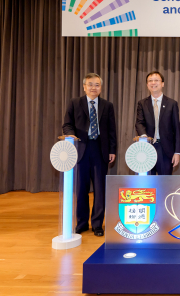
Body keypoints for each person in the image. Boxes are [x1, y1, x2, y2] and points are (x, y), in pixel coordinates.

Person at [62, 73, 117, 237]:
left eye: (97, 85)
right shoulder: (75, 103)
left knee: (100, 190)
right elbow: (67, 124)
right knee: (81, 189)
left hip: (101, 150)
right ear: (84, 86)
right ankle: (82, 223)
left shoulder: (108, 105)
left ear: (101, 87)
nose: (94, 87)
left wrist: (112, 149)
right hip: (80, 150)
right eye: (91, 84)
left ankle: (98, 224)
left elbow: (112, 130)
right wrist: (70, 134)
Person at [135, 71, 180, 175]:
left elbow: (176, 129)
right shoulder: (142, 103)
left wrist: (177, 152)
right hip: (147, 148)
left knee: (165, 183)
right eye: (150, 81)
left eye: (156, 80)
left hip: (165, 149)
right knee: (147, 183)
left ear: (162, 84)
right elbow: (139, 123)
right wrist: (144, 137)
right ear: (147, 85)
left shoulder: (172, 103)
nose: (153, 83)